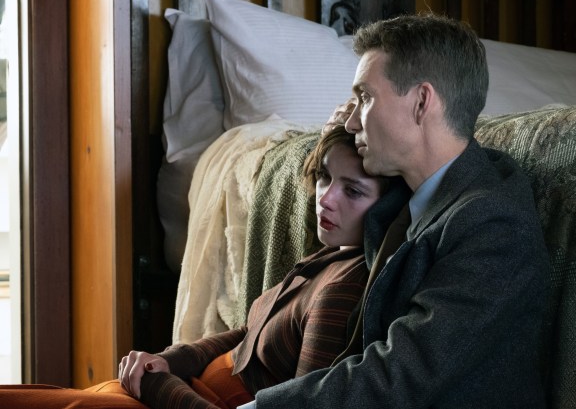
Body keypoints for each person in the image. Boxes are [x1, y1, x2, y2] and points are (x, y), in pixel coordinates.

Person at [240, 13, 550, 409]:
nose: (352, 122)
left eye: (366, 98)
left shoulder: (493, 224)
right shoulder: (416, 193)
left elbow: (402, 374)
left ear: (421, 102)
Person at [0, 124, 393, 409]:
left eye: (352, 191)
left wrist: (159, 385)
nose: (324, 198)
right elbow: (248, 335)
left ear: (388, 207)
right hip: (177, 388)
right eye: (324, 176)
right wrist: (169, 360)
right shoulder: (332, 255)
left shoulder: (342, 290)